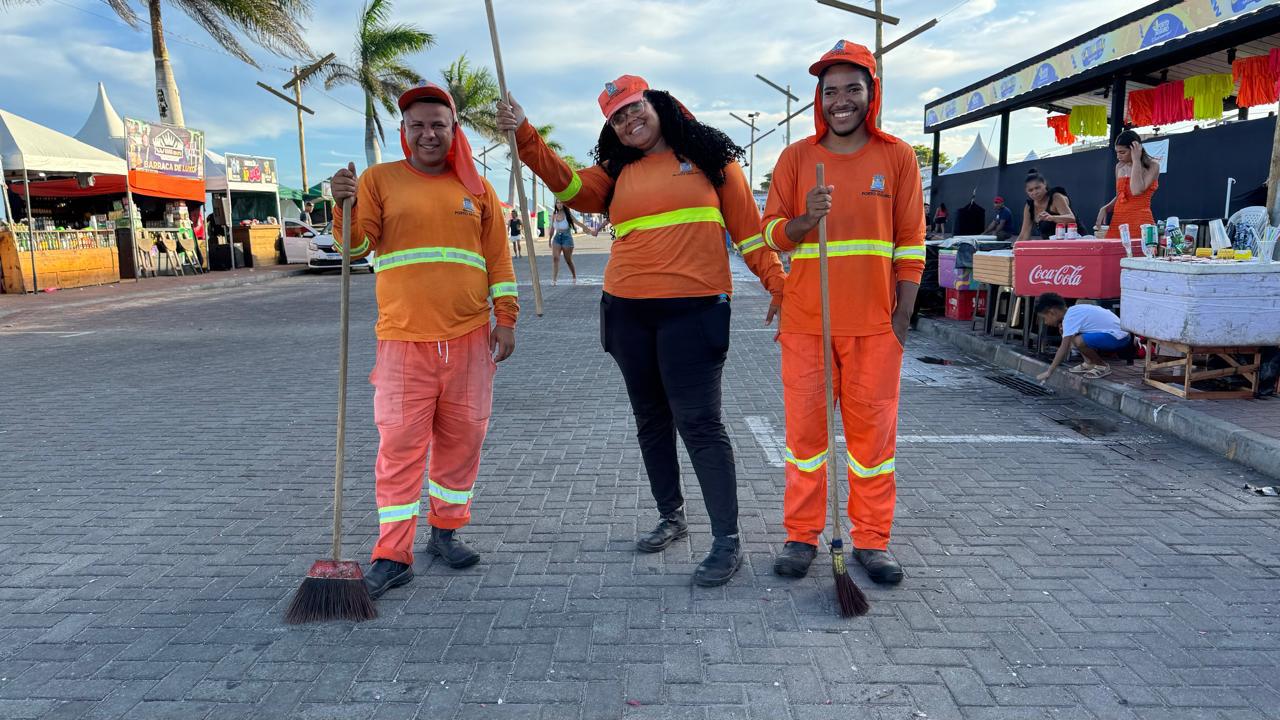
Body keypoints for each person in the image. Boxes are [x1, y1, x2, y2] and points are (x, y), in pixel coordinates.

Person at [496, 75, 786, 587]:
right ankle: (671, 516)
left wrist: (778, 285)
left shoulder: (713, 162)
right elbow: (570, 187)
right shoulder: (615, 172)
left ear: (658, 105)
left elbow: (749, 234)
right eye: (617, 117)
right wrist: (524, 133)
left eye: (634, 108)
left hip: (694, 313)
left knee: (700, 425)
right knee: (651, 421)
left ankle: (727, 540)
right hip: (628, 313)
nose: (628, 120)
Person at [330, 83, 519, 600]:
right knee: (399, 449)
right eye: (417, 126)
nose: (428, 134)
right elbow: (356, 247)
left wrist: (506, 317)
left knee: (463, 442)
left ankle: (445, 532)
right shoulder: (377, 180)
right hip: (403, 342)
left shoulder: (477, 188)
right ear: (404, 132)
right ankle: (393, 554)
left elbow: (498, 261)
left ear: (454, 130)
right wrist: (340, 206)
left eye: (438, 124)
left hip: (470, 340)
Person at [761, 40, 924, 585]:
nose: (841, 101)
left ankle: (872, 540)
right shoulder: (796, 158)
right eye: (830, 91)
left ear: (871, 93)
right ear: (820, 99)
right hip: (807, 324)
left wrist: (901, 322)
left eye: (852, 89)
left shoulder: (898, 157)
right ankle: (801, 535)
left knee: (873, 446)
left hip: (875, 329)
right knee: (805, 442)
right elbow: (770, 234)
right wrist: (806, 219)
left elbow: (911, 244)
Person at [1034, 293, 1130, 380]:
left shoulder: (1070, 318)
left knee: (1079, 341)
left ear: (1052, 312)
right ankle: (1089, 363)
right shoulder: (1072, 312)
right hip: (1118, 334)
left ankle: (1102, 366)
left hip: (1119, 337)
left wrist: (1049, 372)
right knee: (1073, 336)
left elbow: (1064, 347)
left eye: (1044, 318)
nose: (1045, 322)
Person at [1097, 130, 1159, 238]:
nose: (1118, 156)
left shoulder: (1153, 165)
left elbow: (1136, 190)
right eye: (1117, 152)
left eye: (1122, 152)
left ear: (1135, 149)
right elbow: (1121, 195)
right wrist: (1106, 208)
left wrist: (1136, 160)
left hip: (1140, 222)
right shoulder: (1119, 166)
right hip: (1118, 222)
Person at [1017, 169, 1079, 240]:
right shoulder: (1029, 206)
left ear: (1045, 184)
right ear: (1026, 191)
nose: (1035, 192)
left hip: (1075, 240)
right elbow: (1024, 234)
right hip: (1051, 244)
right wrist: (1014, 246)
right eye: (1030, 190)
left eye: (1037, 188)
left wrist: (1052, 218)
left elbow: (1071, 218)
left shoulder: (1056, 197)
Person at [549, 199, 580, 285]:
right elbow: (552, 228)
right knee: (555, 258)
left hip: (567, 238)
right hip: (557, 238)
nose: (559, 204)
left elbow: (578, 223)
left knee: (568, 260)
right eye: (557, 203)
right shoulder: (554, 215)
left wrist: (589, 231)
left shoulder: (568, 215)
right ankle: (554, 280)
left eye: (561, 203)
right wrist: (549, 239)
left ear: (564, 204)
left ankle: (574, 276)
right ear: (555, 204)